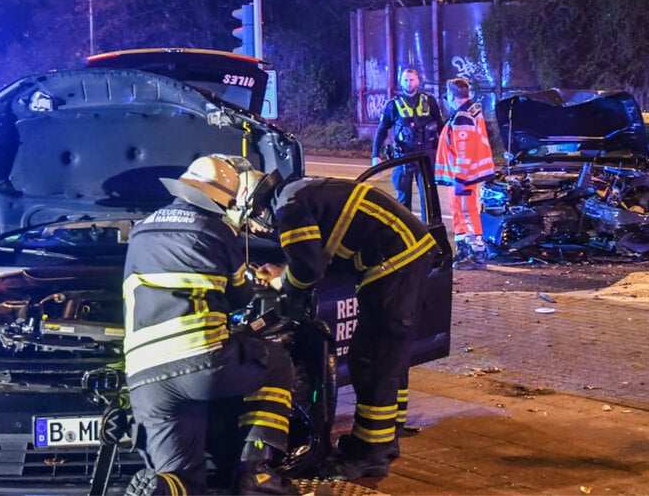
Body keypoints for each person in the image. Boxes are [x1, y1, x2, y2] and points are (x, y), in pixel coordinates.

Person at [123, 155, 295, 496]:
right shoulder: (216, 230)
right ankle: (256, 472)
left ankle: (160, 488)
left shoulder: (140, 229)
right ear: (225, 199)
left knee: (182, 476)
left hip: (144, 375)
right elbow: (239, 295)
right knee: (277, 361)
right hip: (202, 364)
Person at [249, 173, 438, 481]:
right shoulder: (299, 191)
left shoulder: (289, 207)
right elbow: (322, 251)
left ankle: (369, 453)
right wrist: (285, 269)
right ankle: (387, 436)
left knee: (372, 355)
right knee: (390, 352)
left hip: (391, 259)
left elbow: (307, 271)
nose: (258, 226)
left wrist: (282, 282)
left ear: (258, 205)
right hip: (406, 251)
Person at [434, 77, 496, 270]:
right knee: (459, 212)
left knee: (467, 214)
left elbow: (464, 151)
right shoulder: (470, 111)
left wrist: (461, 176)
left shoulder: (462, 116)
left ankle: (476, 254)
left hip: (463, 175)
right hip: (460, 175)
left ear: (452, 96)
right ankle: (463, 251)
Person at [370, 67, 444, 210]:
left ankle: (429, 224)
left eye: (411, 80)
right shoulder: (393, 105)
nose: (409, 83)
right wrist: (375, 156)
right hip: (403, 157)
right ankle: (404, 225)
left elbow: (441, 127)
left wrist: (447, 152)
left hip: (426, 156)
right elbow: (382, 131)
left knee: (429, 199)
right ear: (400, 82)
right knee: (403, 200)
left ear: (418, 81)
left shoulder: (429, 101)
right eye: (405, 80)